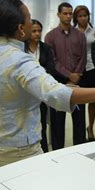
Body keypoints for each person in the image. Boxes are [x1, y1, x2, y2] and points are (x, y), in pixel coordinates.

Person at [0, 0, 95, 172]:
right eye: (29, 18)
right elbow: (57, 95)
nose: (32, 23)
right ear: (21, 29)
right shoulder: (20, 61)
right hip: (15, 155)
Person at [44, 2, 87, 149]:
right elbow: (53, 61)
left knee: (80, 121)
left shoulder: (80, 36)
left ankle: (80, 150)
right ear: (58, 14)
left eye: (70, 14)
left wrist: (76, 75)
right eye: (65, 13)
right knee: (57, 122)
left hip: (78, 82)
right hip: (59, 83)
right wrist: (69, 75)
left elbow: (83, 57)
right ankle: (58, 152)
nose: (68, 16)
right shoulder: (50, 36)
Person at [25, 19, 67, 152]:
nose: (37, 34)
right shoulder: (21, 48)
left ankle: (49, 150)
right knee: (34, 123)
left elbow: (51, 67)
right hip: (27, 91)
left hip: (43, 87)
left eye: (39, 31)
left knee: (44, 121)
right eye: (34, 31)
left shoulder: (45, 48)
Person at [73, 5, 95, 142]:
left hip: (91, 67)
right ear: (76, 18)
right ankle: (79, 130)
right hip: (77, 69)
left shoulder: (94, 30)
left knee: (92, 100)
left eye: (85, 15)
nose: (83, 18)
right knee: (80, 101)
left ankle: (90, 127)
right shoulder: (72, 31)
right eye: (80, 16)